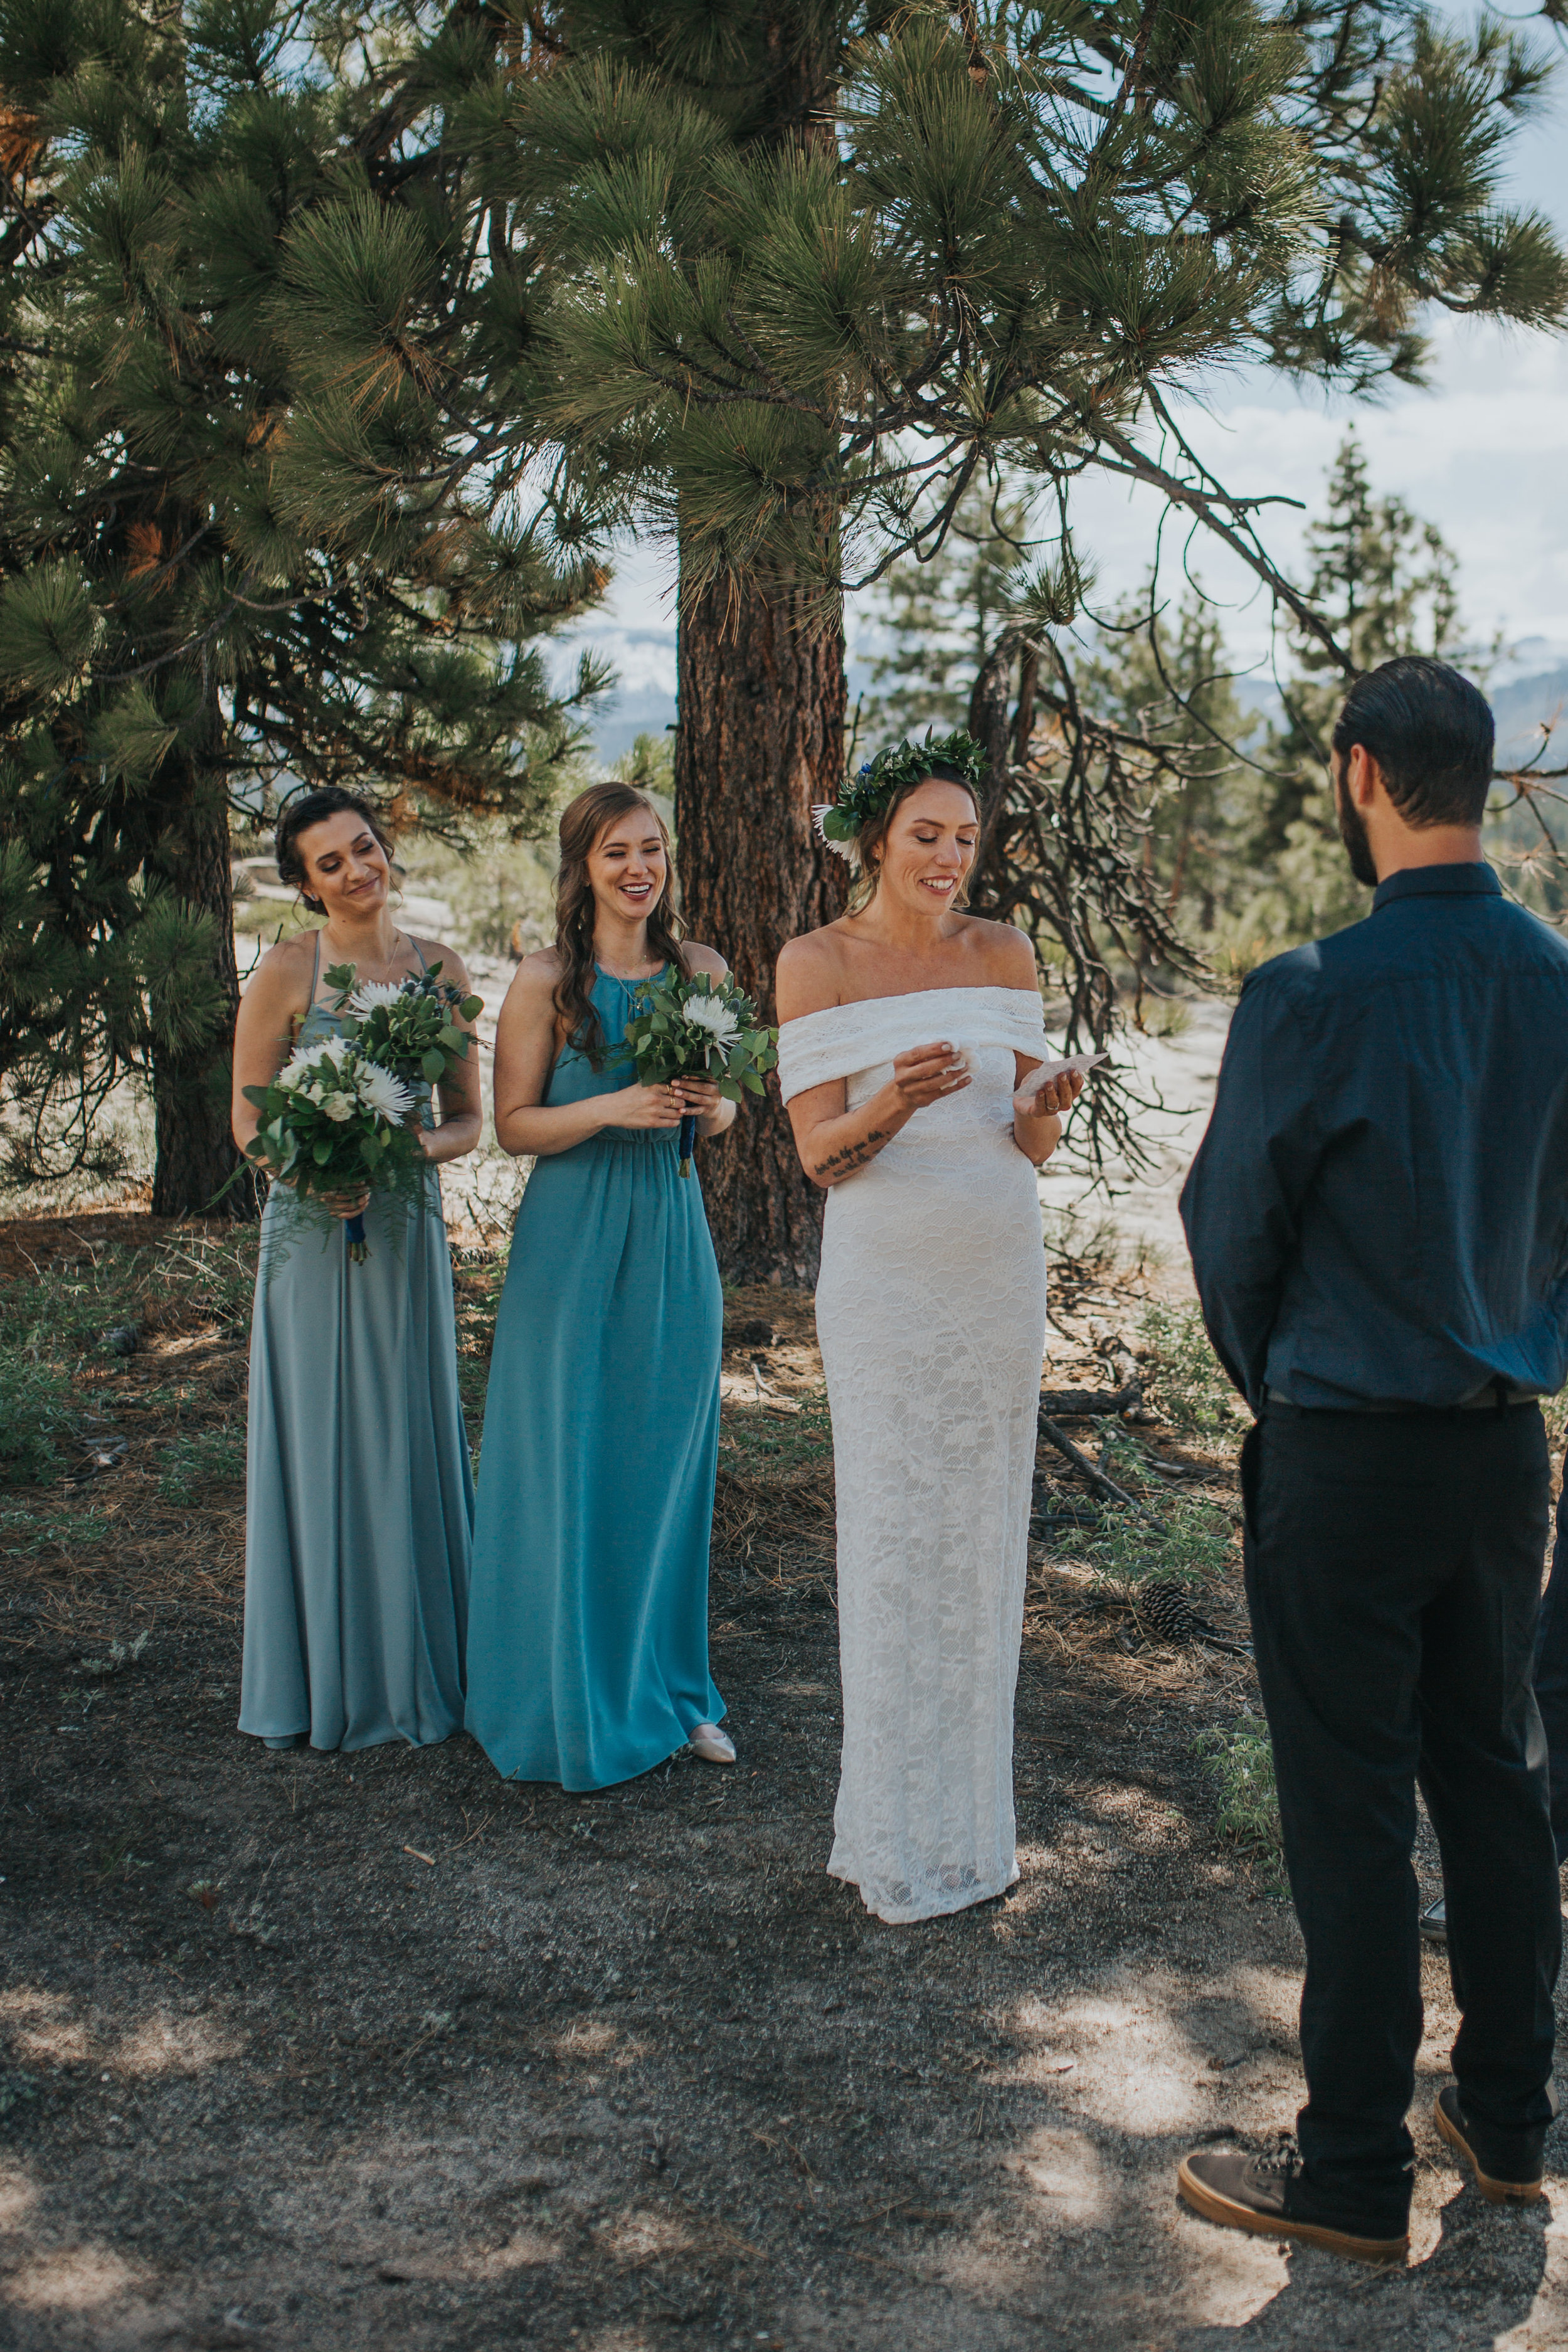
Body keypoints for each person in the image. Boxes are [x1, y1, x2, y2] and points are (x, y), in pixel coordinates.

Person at [1177, 657, 1568, 2264]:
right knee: (1494, 1784)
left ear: (1356, 775)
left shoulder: (1308, 990)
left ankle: (1345, 2176)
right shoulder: (1557, 977)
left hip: (1341, 1449)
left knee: (1347, 1814)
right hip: (1500, 1460)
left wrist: (1286, 1384)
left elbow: (1228, 1235)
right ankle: (1506, 2121)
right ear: (1479, 781)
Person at [775, 731, 1083, 1925]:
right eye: (926, 835)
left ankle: (975, 1829)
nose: (950, 857)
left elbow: (1027, 1143)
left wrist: (1043, 1104)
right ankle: (894, 1832)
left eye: (965, 837)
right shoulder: (817, 962)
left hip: (1000, 1274)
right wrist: (895, 1101)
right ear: (876, 841)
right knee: (895, 1536)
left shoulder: (1005, 952)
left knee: (985, 1536)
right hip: (887, 1285)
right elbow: (818, 1160)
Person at [463, 781, 735, 1789]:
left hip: (672, 1236)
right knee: (567, 1454)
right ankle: (552, 1690)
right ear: (584, 864)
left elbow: (730, 1115)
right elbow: (514, 1124)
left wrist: (711, 1106)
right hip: (571, 1239)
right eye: (618, 851)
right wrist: (616, 1103)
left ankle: (673, 1688)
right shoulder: (545, 979)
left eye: (652, 849)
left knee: (663, 1464)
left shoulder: (702, 969)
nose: (638, 869)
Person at [234, 787, 480, 1753]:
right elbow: (249, 1119)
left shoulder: (441, 969)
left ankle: (418, 1664)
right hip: (311, 1222)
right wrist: (315, 1166)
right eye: (329, 862)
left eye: (365, 847)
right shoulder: (290, 971)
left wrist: (402, 1152)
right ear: (305, 884)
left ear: (387, 851)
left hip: (406, 1221)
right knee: (325, 1429)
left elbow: (466, 1118)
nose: (355, 869)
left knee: (404, 1422)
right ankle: (323, 1672)